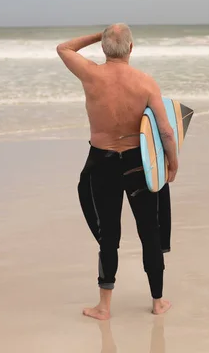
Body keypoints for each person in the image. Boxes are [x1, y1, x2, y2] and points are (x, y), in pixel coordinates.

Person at [56, 23, 178, 319]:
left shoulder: (91, 74)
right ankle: (157, 302)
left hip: (102, 162)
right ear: (131, 48)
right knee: (150, 229)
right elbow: (165, 130)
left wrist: (100, 35)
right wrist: (173, 162)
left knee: (108, 233)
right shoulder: (146, 83)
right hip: (139, 163)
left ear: (102, 48)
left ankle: (104, 307)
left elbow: (64, 48)